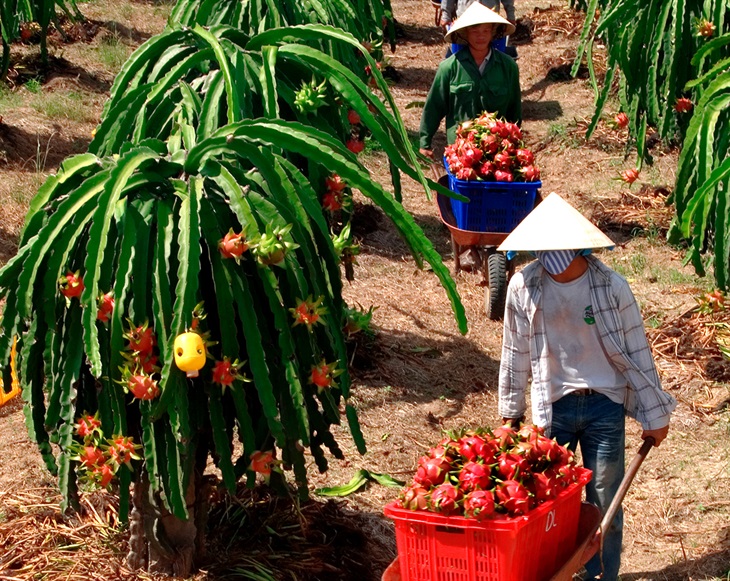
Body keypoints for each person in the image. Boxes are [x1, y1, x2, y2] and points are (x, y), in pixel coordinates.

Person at [496, 193, 677, 581]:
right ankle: (553, 571)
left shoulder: (611, 288)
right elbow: (515, 352)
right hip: (553, 406)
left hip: (603, 406)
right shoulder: (524, 287)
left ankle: (600, 575)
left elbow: (637, 351)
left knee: (605, 502)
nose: (550, 261)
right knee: (546, 506)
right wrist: (511, 413)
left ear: (578, 247)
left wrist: (654, 414)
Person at [418, 2, 520, 161]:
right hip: (460, 150)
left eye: (486, 30)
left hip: (497, 151)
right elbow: (434, 106)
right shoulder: (449, 68)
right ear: (465, 34)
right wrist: (425, 143)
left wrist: (515, 144)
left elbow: (514, 109)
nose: (481, 36)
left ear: (493, 33)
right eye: (475, 31)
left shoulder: (508, 67)